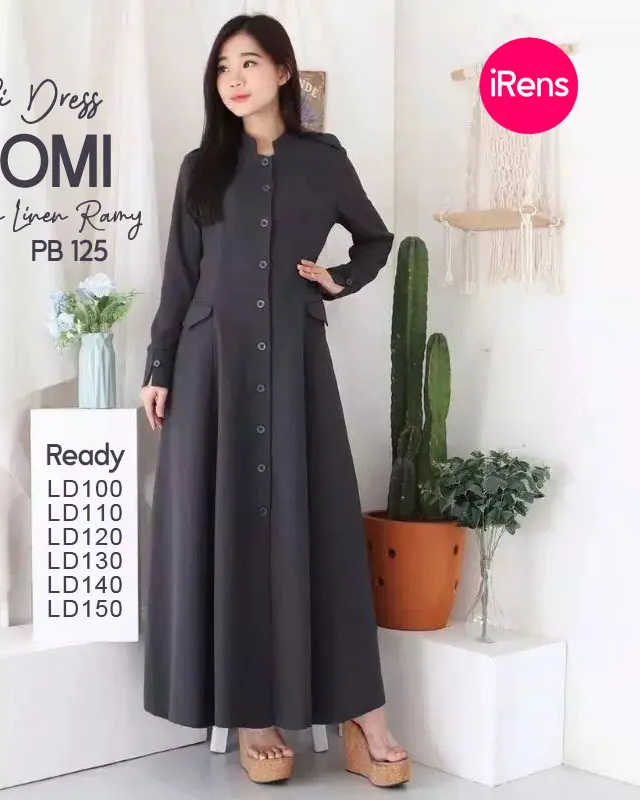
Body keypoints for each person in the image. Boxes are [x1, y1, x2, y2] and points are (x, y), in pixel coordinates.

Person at [139, 12, 409, 788]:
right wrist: (160, 366)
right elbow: (180, 276)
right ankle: (253, 711)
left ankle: (362, 714)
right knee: (227, 528)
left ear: (284, 71)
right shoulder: (201, 168)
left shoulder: (324, 161)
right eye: (223, 66)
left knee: (317, 524)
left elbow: (374, 240)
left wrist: (337, 279)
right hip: (211, 369)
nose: (234, 78)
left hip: (293, 364)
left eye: (250, 62)